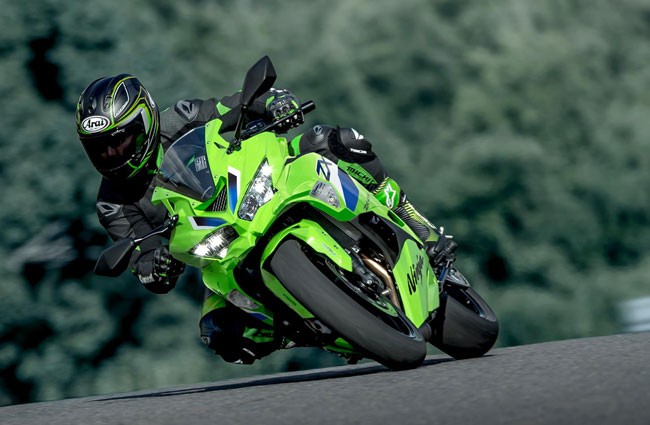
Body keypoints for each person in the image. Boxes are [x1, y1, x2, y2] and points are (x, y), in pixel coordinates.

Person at [76, 74, 455, 364]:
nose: (112, 154)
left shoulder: (182, 117)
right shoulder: (113, 204)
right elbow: (140, 251)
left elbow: (236, 105)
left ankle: (415, 223)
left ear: (146, 121)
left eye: (120, 141)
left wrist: (275, 102)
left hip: (255, 187)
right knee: (218, 332)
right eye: (100, 149)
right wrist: (153, 267)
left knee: (333, 141)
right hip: (219, 252)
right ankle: (317, 325)